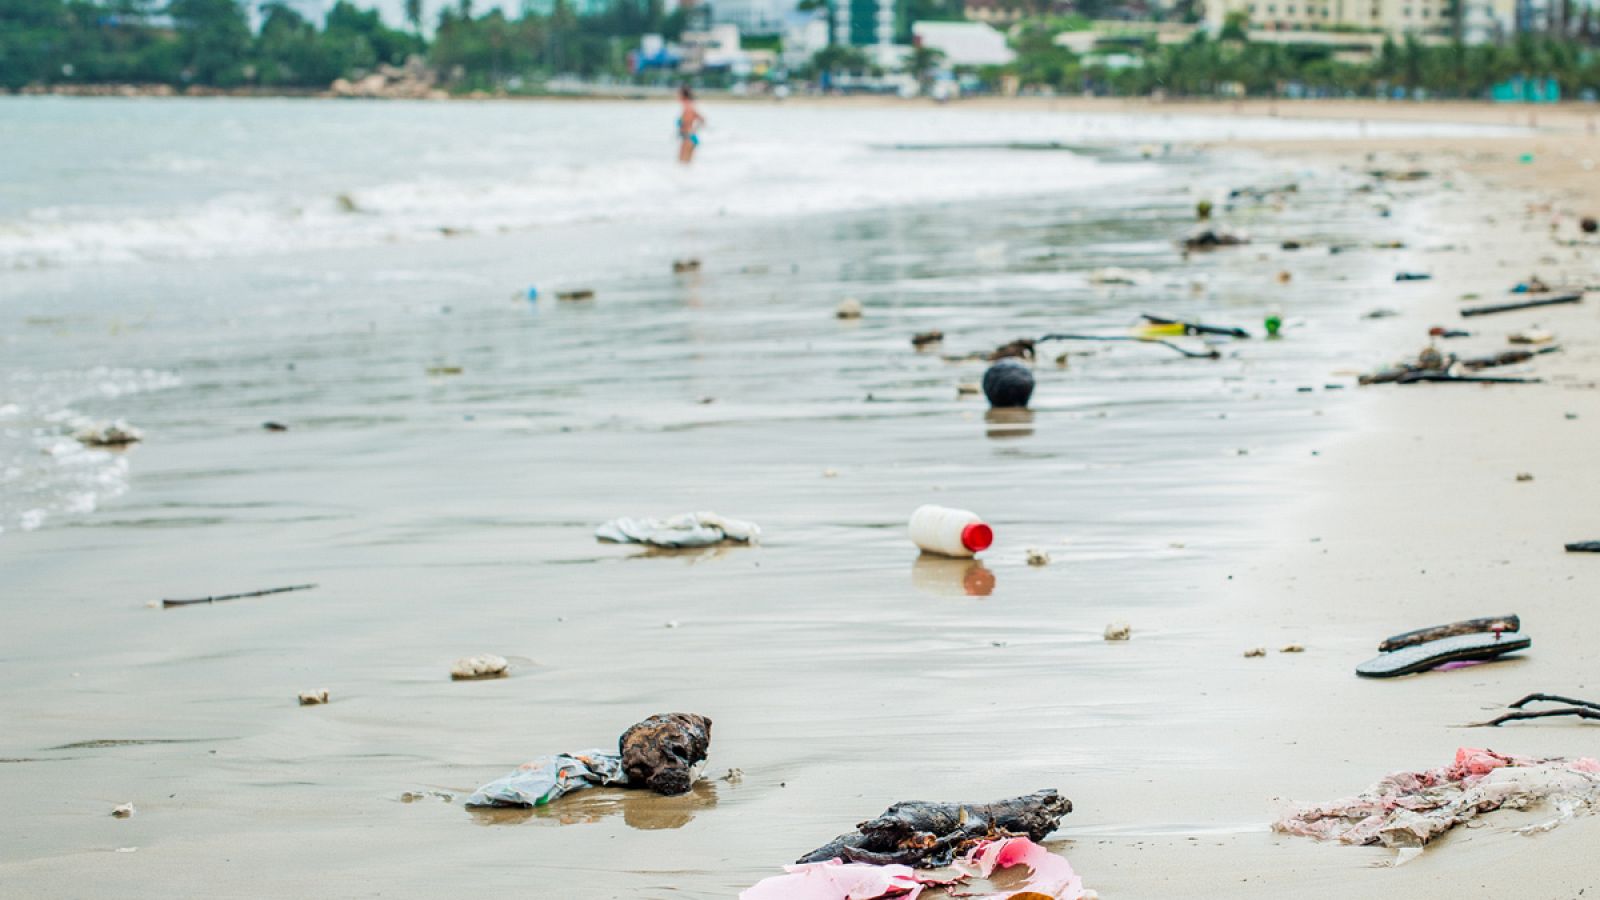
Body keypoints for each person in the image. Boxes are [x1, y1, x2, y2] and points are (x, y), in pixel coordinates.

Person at [676, 86, 705, 164]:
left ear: (683, 95)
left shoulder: (687, 107)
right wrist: (694, 130)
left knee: (682, 164)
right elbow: (702, 119)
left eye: (678, 94)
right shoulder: (690, 105)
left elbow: (687, 122)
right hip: (690, 137)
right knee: (685, 165)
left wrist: (691, 131)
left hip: (688, 138)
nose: (677, 96)